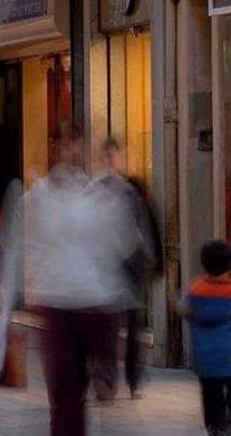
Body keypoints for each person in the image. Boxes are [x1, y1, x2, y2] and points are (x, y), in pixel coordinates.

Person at [0, 128, 139, 436]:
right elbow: (17, 248)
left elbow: (123, 244)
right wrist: (6, 304)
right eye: (64, 144)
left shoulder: (99, 196)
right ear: (55, 149)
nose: (70, 151)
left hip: (95, 304)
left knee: (78, 390)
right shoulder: (37, 197)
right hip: (57, 303)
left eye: (76, 145)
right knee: (64, 392)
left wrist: (121, 296)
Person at [96, 138, 160, 400]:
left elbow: (143, 226)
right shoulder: (96, 191)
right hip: (106, 268)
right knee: (107, 328)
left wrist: (149, 258)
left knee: (132, 327)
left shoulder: (130, 191)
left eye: (114, 156)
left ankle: (132, 379)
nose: (111, 161)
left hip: (130, 268)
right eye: (107, 157)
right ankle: (107, 379)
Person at [182, 240, 231, 436]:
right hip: (229, 356)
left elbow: (187, 311)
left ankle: (214, 427)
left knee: (211, 396)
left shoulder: (196, 289)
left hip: (205, 359)